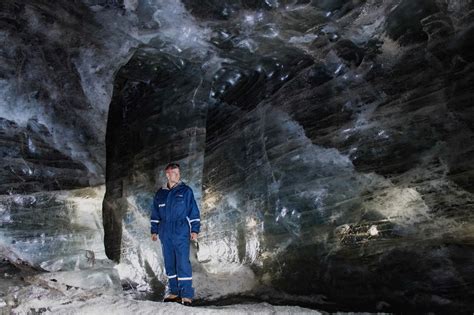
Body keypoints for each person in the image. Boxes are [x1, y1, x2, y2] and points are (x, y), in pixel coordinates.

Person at [150, 162, 200, 306]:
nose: (178, 176)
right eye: (174, 173)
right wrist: (154, 230)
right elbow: (155, 214)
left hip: (180, 230)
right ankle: (174, 292)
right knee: (169, 262)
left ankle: (186, 295)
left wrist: (194, 229)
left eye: (178, 173)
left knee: (183, 262)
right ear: (167, 174)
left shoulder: (186, 191)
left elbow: (193, 211)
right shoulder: (160, 193)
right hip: (165, 231)